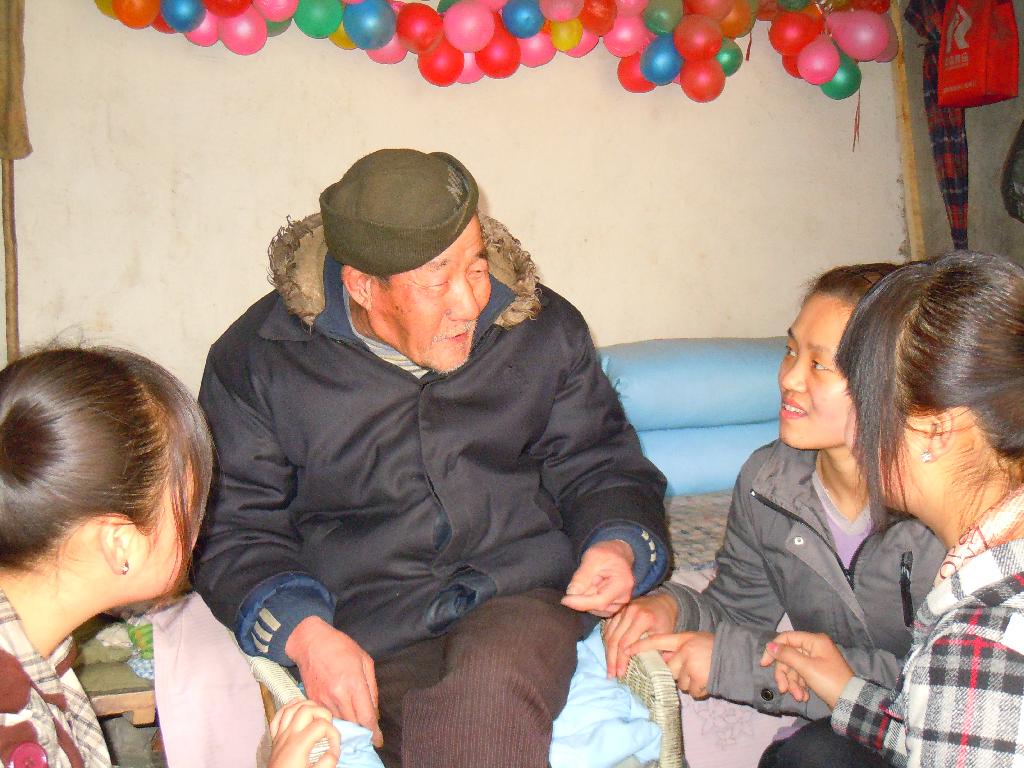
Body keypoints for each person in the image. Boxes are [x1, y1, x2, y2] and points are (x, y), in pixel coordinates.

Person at [193, 148, 670, 768]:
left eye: (476, 267)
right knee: (423, 740)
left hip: (518, 591)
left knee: (487, 701)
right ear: (362, 286)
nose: (470, 302)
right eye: (437, 281)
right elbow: (234, 527)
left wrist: (618, 544)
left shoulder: (540, 328)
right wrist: (305, 634)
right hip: (365, 620)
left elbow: (599, 459)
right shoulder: (259, 362)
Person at [603, 262, 946, 766]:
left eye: (820, 364)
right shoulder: (768, 483)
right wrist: (672, 608)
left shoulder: (944, 507)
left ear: (893, 383)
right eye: (790, 351)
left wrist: (742, 665)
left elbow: (947, 684)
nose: (789, 378)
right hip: (849, 730)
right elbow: (740, 608)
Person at [0, 347, 341, 768]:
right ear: (119, 544)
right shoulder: (14, 725)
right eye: (189, 506)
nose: (200, 529)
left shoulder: (38, 658)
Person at [762, 251, 1024, 767]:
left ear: (934, 430)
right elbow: (946, 732)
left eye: (867, 402)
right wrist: (847, 690)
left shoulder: (979, 643)